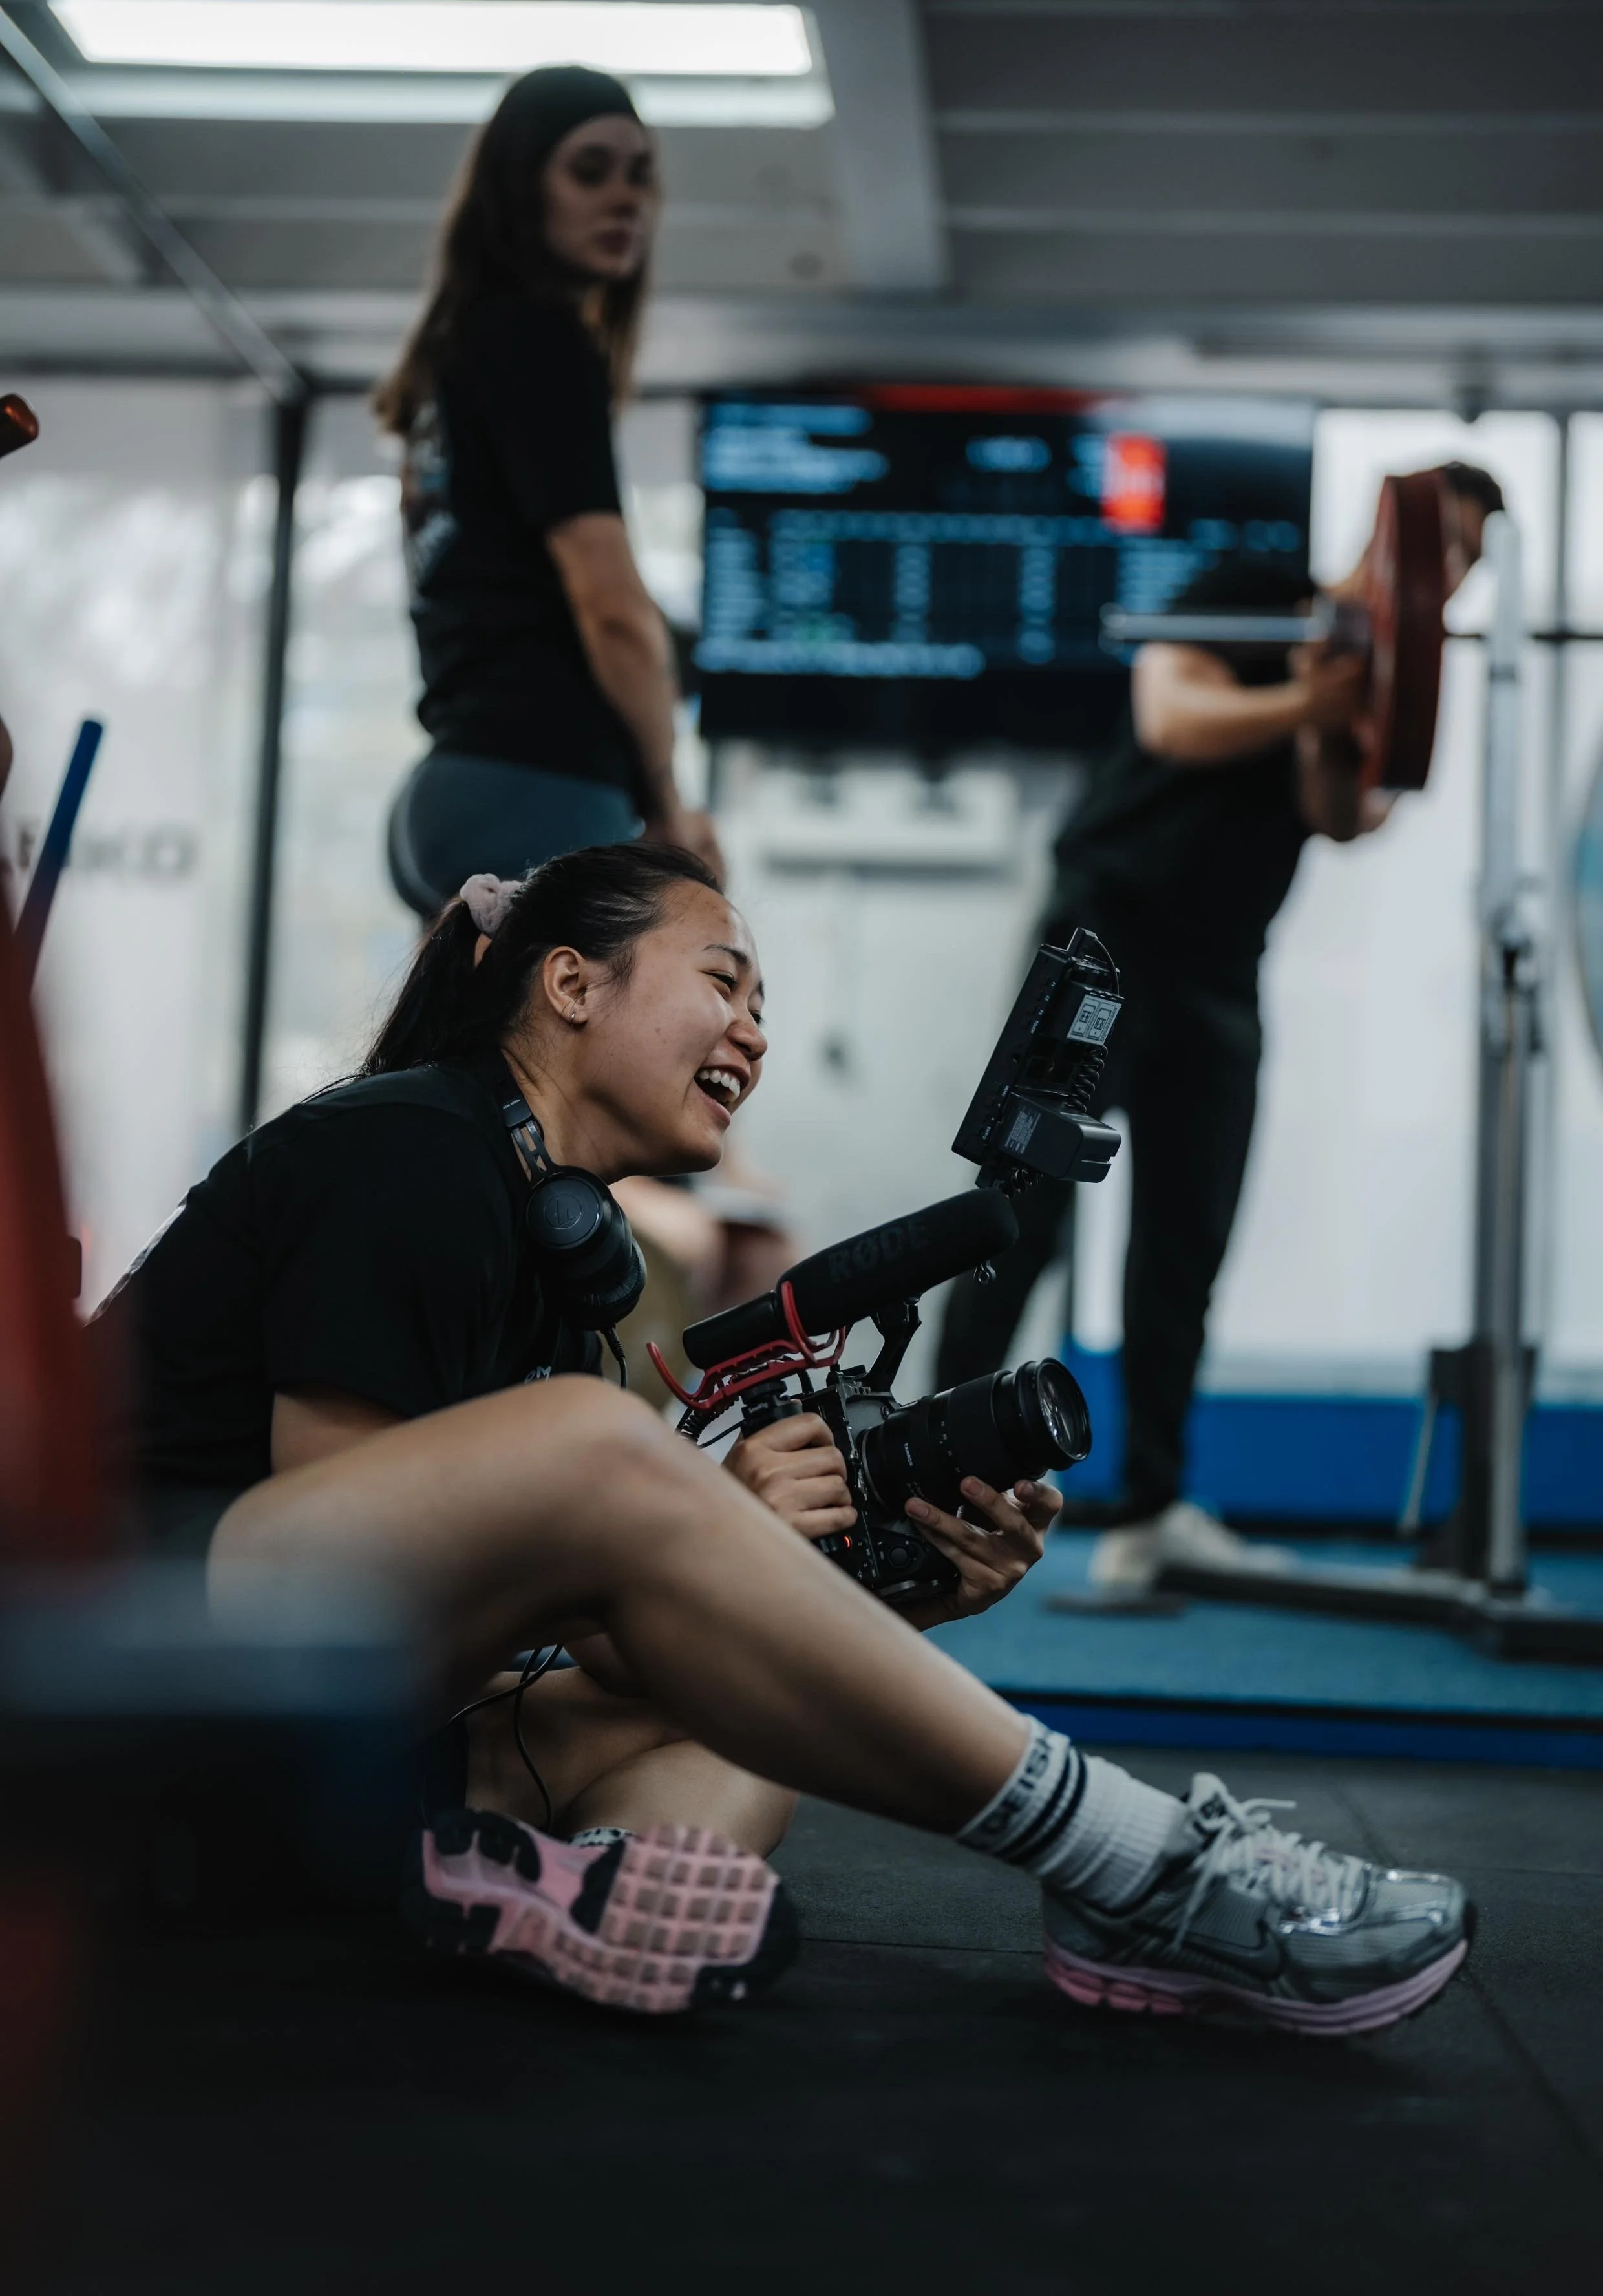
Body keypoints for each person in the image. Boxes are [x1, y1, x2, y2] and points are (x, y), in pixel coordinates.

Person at [100, 842, 1470, 2031]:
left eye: (764, 1007)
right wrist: (657, 1515)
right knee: (595, 1446)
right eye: (724, 983)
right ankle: (1139, 1867)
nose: (754, 1033)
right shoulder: (406, 1152)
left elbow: (558, 1639)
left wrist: (868, 1592)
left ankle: (600, 1891)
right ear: (570, 983)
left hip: (298, 1772)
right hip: (129, 1682)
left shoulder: (561, 1268)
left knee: (733, 1727)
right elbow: (337, 1605)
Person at [937, 463, 1506, 1591]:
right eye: (1442, 551)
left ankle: (1150, 1510)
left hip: (1222, 973)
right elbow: (1172, 714)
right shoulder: (1255, 587)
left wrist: (1336, 711)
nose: (1451, 583)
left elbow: (1341, 819)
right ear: (1392, 538)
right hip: (1104, 938)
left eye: (1471, 568)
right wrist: (1306, 692)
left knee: (1183, 1247)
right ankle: (925, 1472)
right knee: (1018, 1210)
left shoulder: (1374, 676)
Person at [374, 67, 717, 914]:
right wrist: (669, 804)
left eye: (640, 175)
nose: (625, 199)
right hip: (540, 789)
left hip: (449, 791)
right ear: (521, 189)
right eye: (590, 170)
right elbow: (609, 606)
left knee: (455, 1049)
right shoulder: (538, 339)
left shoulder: (455, 356)